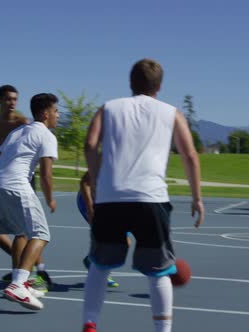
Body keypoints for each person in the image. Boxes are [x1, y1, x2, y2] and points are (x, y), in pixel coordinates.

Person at [81, 59, 204, 332]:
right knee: (159, 272)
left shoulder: (108, 108)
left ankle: (90, 322)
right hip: (151, 199)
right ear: (159, 86)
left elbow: (90, 144)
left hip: (111, 199)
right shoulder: (171, 113)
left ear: (130, 82)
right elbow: (190, 155)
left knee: (100, 265)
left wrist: (98, 178)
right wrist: (197, 196)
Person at [0, 93, 59, 311]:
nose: (58, 115)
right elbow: (46, 175)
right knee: (41, 234)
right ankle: (18, 284)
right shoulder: (46, 135)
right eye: (56, 111)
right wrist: (50, 199)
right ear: (46, 113)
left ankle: (22, 282)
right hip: (17, 186)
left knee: (22, 232)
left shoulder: (17, 131)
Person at [78, 171, 125, 288]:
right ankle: (100, 270)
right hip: (88, 201)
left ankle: (91, 259)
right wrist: (90, 209)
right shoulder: (109, 159)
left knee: (124, 241)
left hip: (110, 204)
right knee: (106, 237)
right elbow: (85, 182)